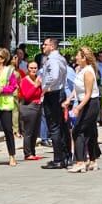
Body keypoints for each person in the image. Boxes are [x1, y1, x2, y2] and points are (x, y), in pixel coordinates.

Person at [68, 46, 102, 173]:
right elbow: (77, 89)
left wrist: (78, 107)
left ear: (84, 58)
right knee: (91, 132)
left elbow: (88, 94)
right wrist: (69, 99)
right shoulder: (80, 70)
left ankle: (80, 161)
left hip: (90, 103)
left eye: (78, 55)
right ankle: (93, 160)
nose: (75, 57)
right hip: (85, 102)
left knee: (77, 131)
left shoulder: (88, 71)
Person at [38, 38, 72, 169]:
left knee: (54, 126)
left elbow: (55, 75)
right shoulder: (61, 58)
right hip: (59, 92)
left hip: (53, 94)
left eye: (45, 45)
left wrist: (45, 87)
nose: (43, 46)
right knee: (61, 126)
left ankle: (59, 159)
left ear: (52, 46)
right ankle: (66, 155)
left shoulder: (52, 60)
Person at [16, 61, 45, 161]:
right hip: (29, 107)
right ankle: (27, 153)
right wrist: (35, 86)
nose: (33, 70)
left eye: (35, 68)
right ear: (28, 69)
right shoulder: (24, 80)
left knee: (35, 131)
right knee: (28, 131)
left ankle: (32, 151)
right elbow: (26, 96)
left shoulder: (38, 79)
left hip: (38, 106)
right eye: (31, 68)